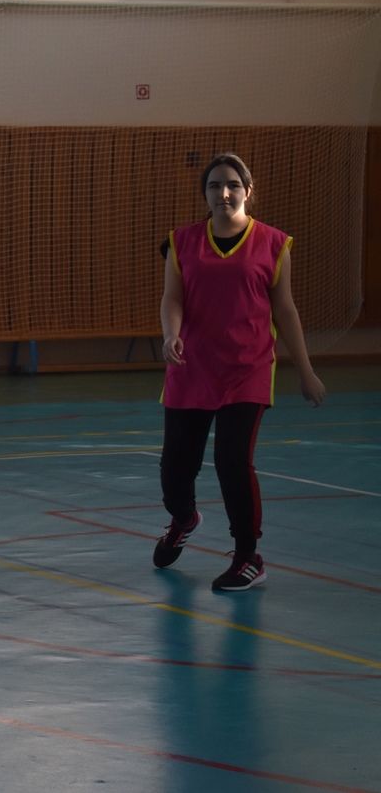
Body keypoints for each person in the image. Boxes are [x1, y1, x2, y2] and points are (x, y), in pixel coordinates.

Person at [154, 152, 325, 591]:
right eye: (214, 185)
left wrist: (305, 370)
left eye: (232, 184)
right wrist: (171, 333)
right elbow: (172, 298)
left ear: (248, 191)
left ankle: (249, 555)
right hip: (190, 368)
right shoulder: (183, 242)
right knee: (175, 470)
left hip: (246, 370)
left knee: (232, 462)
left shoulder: (272, 243)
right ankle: (184, 517)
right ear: (205, 194)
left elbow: (284, 310)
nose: (223, 192)